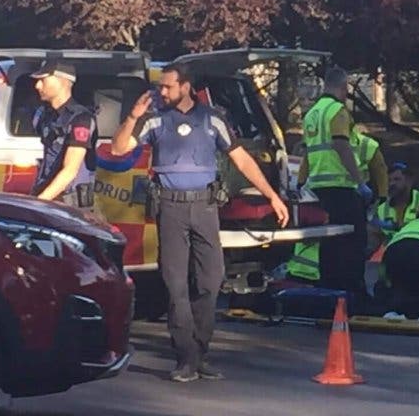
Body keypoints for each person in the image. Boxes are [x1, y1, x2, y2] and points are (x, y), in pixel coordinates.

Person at [111, 63, 289, 383]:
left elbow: (241, 159)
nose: (162, 92)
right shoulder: (155, 119)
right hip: (170, 208)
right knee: (175, 284)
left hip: (205, 208)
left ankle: (200, 350)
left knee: (210, 281)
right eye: (161, 87)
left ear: (186, 87)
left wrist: (272, 195)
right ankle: (186, 358)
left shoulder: (212, 119)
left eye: (168, 87)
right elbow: (118, 148)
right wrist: (133, 117)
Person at [298, 68, 372, 302]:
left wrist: (302, 182)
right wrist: (360, 181)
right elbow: (341, 146)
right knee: (353, 241)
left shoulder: (312, 113)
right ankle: (353, 291)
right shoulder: (337, 111)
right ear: (344, 87)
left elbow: (308, 152)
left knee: (329, 241)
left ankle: (329, 289)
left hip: (319, 186)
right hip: (341, 186)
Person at [30, 61, 97, 211]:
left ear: (63, 81)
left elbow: (70, 170)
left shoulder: (81, 118)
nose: (37, 86)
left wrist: (39, 202)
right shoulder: (46, 116)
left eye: (43, 80)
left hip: (69, 204)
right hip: (47, 196)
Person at [370, 162, 419, 249]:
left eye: (397, 179)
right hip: (390, 251)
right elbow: (376, 236)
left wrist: (395, 226)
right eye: (389, 180)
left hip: (418, 248)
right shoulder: (381, 207)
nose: (391, 184)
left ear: (409, 181)